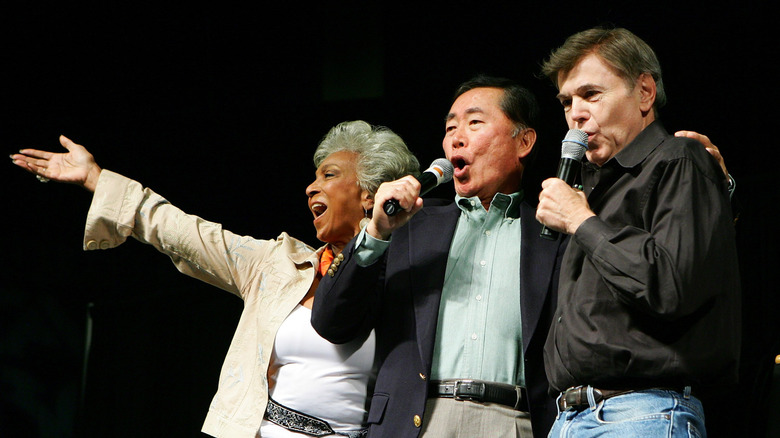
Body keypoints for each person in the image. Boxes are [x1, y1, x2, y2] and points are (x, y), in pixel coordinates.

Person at [9, 120, 420, 438]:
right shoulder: (276, 264)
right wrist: (96, 178)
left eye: (329, 175)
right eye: (314, 176)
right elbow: (183, 231)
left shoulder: (415, 277)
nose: (312, 185)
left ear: (371, 193)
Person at [311, 75, 567, 438]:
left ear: (523, 142)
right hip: (418, 419)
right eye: (450, 127)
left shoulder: (551, 234)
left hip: (514, 421)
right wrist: (376, 233)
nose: (456, 137)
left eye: (474, 122)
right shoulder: (409, 226)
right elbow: (331, 322)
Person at [535, 27, 740, 437]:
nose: (575, 112)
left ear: (645, 92)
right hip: (570, 417)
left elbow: (670, 284)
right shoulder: (592, 188)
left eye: (591, 95)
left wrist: (582, 222)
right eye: (567, 101)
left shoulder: (680, 159)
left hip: (642, 411)